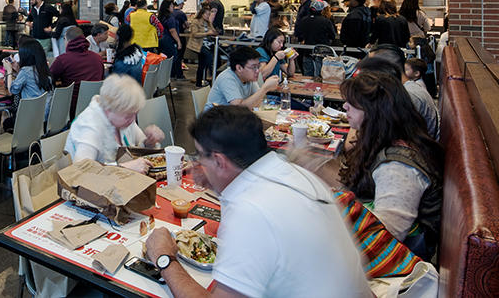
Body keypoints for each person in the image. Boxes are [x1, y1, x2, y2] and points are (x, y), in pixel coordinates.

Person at [144, 106, 371, 297]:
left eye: (202, 155)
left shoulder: (250, 213)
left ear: (220, 161)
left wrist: (165, 258)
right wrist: (218, 181)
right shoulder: (298, 174)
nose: (199, 163)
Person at [340, 69, 443, 258]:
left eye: (353, 103)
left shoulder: (398, 168)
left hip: (396, 262)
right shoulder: (387, 141)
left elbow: (383, 239)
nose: (345, 106)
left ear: (374, 111)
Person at [64, 74, 164, 172]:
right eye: (128, 116)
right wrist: (124, 167)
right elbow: (81, 172)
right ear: (109, 110)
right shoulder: (90, 127)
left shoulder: (123, 115)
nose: (133, 119)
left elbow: (139, 147)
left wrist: (149, 142)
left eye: (135, 114)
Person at [50, 25, 105, 118]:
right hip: (95, 108)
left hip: (70, 109)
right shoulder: (98, 59)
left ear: (67, 40)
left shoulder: (63, 60)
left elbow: (49, 79)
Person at [206, 45, 279, 110]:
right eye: (253, 67)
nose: (257, 71)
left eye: (258, 66)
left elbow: (259, 101)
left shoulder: (249, 78)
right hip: (216, 120)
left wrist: (265, 89)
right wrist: (265, 88)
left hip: (233, 118)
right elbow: (238, 108)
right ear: (239, 68)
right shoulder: (227, 78)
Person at [3, 39, 53, 129]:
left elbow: (12, 90)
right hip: (45, 117)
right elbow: (30, 80)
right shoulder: (44, 69)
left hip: (29, 119)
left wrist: (9, 71)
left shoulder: (26, 71)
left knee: (7, 123)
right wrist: (18, 70)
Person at [293, 0, 337, 77]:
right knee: (321, 75)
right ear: (321, 9)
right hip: (322, 52)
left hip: (307, 51)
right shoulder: (326, 21)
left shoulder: (304, 20)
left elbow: (298, 35)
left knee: (308, 75)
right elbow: (333, 35)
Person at [184, 5, 217, 86]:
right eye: (207, 14)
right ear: (202, 14)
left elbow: (213, 31)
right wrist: (207, 33)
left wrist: (214, 32)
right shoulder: (195, 22)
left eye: (209, 14)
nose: (208, 16)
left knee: (202, 64)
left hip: (207, 45)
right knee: (209, 59)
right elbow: (194, 34)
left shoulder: (208, 22)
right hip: (198, 45)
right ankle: (212, 78)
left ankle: (199, 82)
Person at [156, 0, 180, 66]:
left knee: (162, 58)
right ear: (167, 8)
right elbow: (172, 30)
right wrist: (178, 41)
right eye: (172, 6)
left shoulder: (160, 17)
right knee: (171, 58)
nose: (173, 8)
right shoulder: (170, 18)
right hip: (168, 40)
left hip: (160, 40)